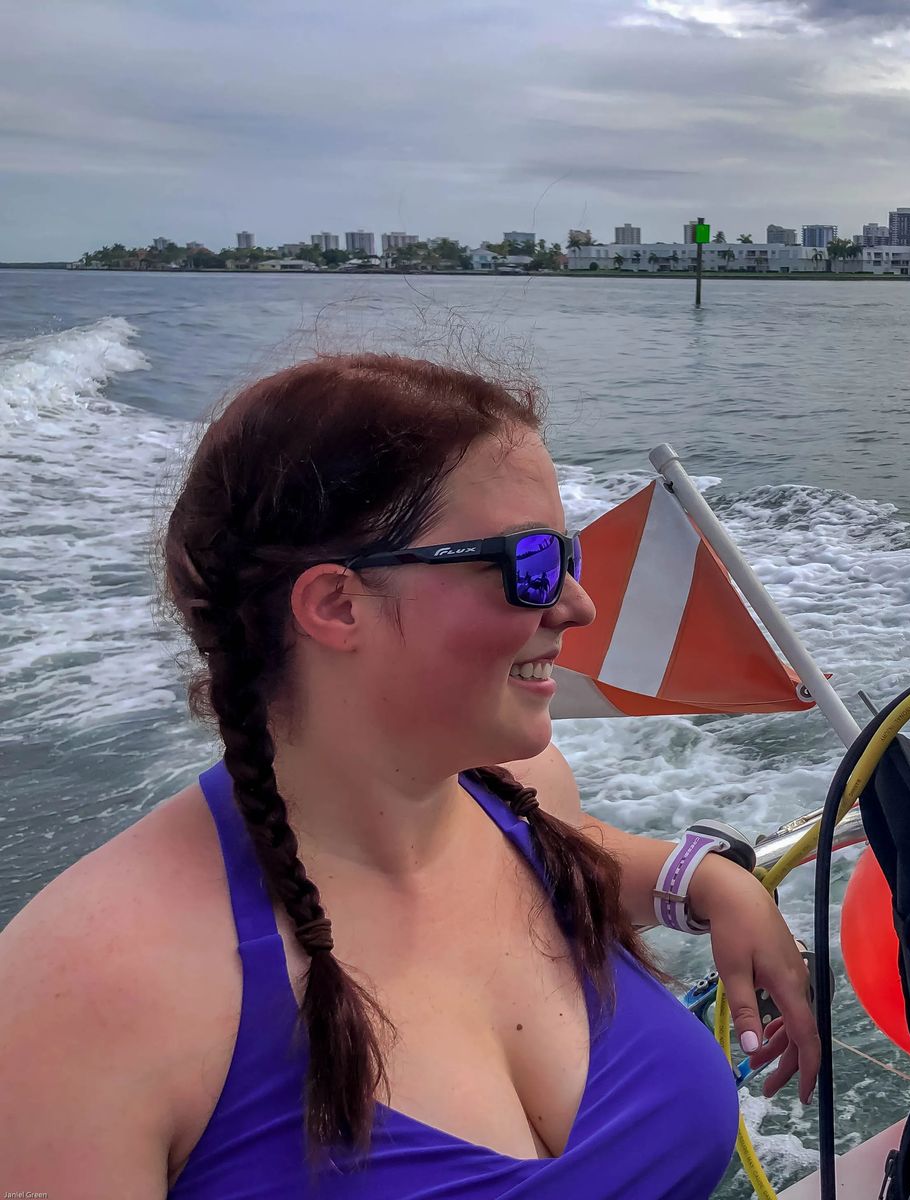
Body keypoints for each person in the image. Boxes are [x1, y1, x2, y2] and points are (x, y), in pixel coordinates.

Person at [0, 355, 819, 1197]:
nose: (578, 604)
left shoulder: (520, 790)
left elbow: (573, 860)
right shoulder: (86, 997)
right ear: (337, 605)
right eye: (529, 563)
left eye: (567, 555)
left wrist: (710, 883)